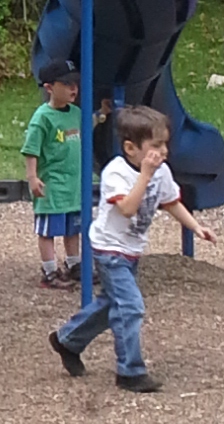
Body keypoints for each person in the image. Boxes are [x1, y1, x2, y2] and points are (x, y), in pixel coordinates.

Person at [51, 103, 215, 392]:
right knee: (130, 306)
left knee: (110, 304)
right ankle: (130, 371)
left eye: (165, 144)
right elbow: (127, 208)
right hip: (109, 249)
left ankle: (67, 340)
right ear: (130, 148)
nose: (163, 152)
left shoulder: (161, 172)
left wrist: (195, 227)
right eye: (156, 145)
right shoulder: (116, 173)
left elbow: (171, 202)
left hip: (131, 250)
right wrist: (145, 176)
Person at [20, 63, 83, 288]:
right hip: (52, 185)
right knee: (49, 230)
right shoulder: (42, 118)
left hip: (73, 185)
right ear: (49, 88)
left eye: (75, 83)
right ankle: (49, 271)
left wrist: (102, 115)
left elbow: (87, 126)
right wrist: (32, 177)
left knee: (73, 228)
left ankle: (74, 264)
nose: (73, 88)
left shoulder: (76, 113)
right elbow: (31, 150)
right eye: (66, 84)